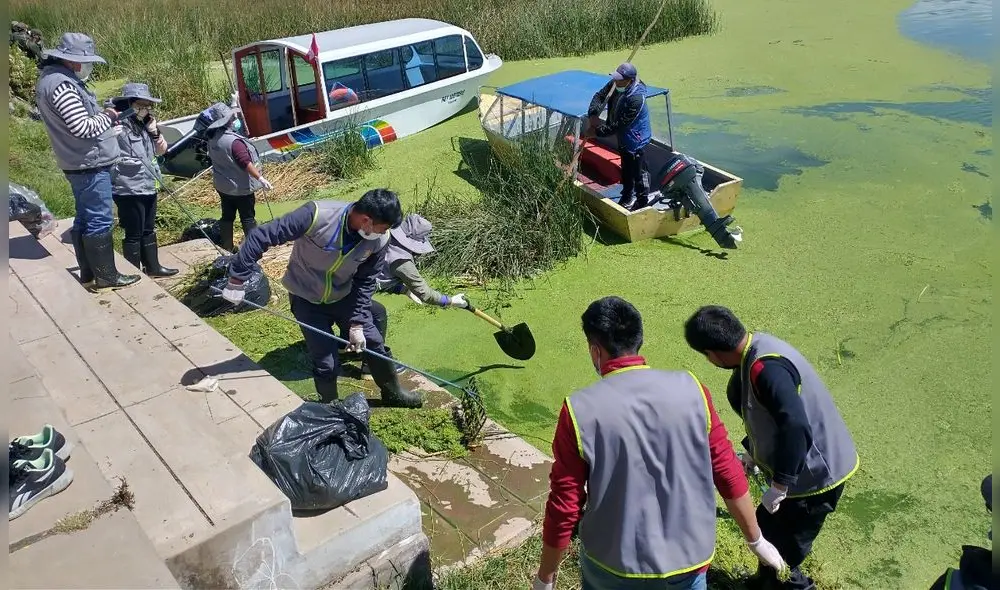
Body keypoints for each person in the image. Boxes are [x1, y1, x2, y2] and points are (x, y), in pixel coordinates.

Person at [533, 296, 786, 590]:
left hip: (613, 568)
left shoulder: (578, 410)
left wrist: (545, 578)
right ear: (638, 341)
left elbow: (565, 506)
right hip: (688, 563)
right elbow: (728, 472)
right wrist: (756, 540)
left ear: (595, 351)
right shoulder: (694, 391)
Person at [683, 305, 860, 590]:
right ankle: (762, 584)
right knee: (766, 528)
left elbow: (796, 426)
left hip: (816, 475)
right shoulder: (756, 350)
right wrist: (753, 455)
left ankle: (795, 585)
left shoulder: (765, 369)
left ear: (713, 354)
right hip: (799, 467)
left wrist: (780, 485)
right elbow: (768, 420)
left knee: (786, 554)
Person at [221, 189, 422, 408]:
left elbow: (365, 282)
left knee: (373, 341)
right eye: (382, 228)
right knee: (326, 362)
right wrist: (237, 278)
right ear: (366, 220)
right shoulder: (316, 215)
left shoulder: (378, 240)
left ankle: (393, 393)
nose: (384, 234)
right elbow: (263, 236)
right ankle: (330, 406)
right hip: (306, 298)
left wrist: (356, 322)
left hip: (344, 295)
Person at [35, 32, 140, 290]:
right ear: (74, 62)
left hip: (77, 161)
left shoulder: (50, 80)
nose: (89, 67)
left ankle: (88, 272)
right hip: (88, 164)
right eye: (88, 62)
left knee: (83, 218)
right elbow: (82, 127)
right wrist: (109, 116)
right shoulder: (62, 85)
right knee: (99, 219)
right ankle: (106, 276)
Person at [341, 213, 469, 377]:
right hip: (348, 294)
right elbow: (426, 294)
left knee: (367, 311)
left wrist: (402, 290)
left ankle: (345, 346)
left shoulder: (380, 237)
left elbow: (375, 278)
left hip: (338, 284)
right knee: (377, 314)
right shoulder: (401, 261)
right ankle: (373, 366)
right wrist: (450, 301)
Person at [108, 82, 177, 277]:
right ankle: (134, 271)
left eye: (148, 106)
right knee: (133, 232)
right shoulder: (118, 124)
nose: (145, 109)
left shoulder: (146, 124)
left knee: (148, 228)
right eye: (140, 105)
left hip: (148, 184)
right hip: (128, 187)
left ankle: (153, 267)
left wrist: (154, 131)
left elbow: (162, 150)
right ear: (129, 104)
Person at [203, 102, 273, 252]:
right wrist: (260, 178)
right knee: (248, 217)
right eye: (232, 117)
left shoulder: (212, 138)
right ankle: (253, 249)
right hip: (241, 188)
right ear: (227, 121)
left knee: (227, 216)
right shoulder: (234, 142)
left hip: (223, 186)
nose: (235, 119)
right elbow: (245, 163)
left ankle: (227, 246)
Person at [585, 63, 653, 212]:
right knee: (626, 168)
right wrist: (593, 114)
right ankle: (627, 195)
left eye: (619, 80)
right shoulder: (616, 83)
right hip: (623, 137)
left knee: (639, 171)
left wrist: (596, 133)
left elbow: (619, 124)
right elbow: (599, 95)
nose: (615, 82)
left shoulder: (637, 98)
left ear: (629, 80)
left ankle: (642, 200)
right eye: (615, 79)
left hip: (636, 138)